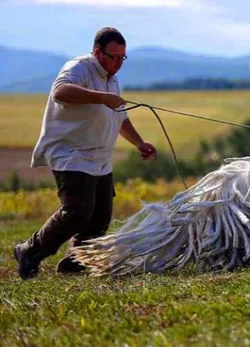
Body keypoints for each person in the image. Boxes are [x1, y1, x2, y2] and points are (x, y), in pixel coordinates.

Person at [13, 27, 158, 280]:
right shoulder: (78, 68)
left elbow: (119, 118)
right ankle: (29, 251)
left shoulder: (111, 77)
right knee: (78, 211)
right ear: (96, 51)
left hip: (100, 157)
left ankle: (75, 262)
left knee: (100, 216)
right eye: (112, 57)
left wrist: (139, 143)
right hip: (71, 152)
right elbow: (60, 92)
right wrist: (102, 97)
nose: (117, 63)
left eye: (122, 58)